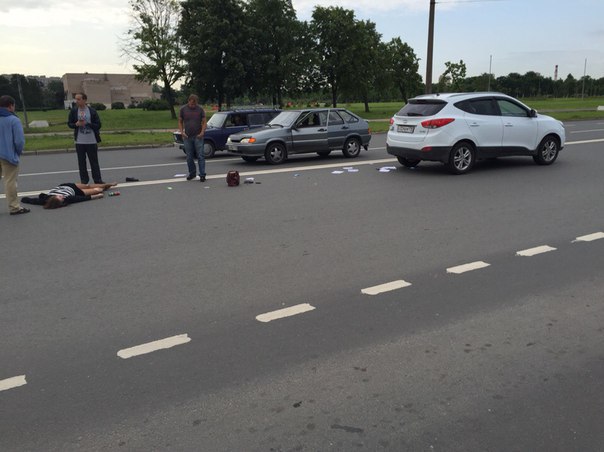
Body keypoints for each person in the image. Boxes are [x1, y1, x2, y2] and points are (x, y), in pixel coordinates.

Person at [0, 95, 29, 215]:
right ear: (11, 105)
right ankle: (14, 207)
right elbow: (19, 141)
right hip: (7, 154)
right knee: (9, 181)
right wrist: (18, 151)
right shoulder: (13, 120)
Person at [67, 93, 105, 184]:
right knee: (81, 162)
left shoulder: (92, 111)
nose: (77, 101)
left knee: (94, 162)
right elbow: (69, 123)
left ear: (84, 100)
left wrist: (88, 124)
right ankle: (84, 181)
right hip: (79, 141)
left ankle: (97, 180)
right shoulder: (74, 111)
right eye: (76, 99)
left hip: (91, 140)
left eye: (79, 99)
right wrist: (76, 124)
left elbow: (98, 125)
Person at [21, 182, 117, 209]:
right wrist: (96, 196)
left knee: (87, 185)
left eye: (60, 197)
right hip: (75, 192)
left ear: (53, 199)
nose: (62, 197)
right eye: (62, 199)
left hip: (67, 186)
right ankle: (107, 186)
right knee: (97, 190)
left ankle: (107, 184)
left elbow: (31, 200)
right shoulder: (67, 198)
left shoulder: (43, 200)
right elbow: (80, 199)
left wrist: (24, 199)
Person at [178, 94, 207, 182]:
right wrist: (182, 132)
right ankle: (192, 173)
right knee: (189, 156)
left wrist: (202, 132)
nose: (193, 106)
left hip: (198, 136)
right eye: (191, 104)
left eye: (194, 104)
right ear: (188, 101)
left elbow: (204, 122)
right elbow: (180, 121)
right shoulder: (183, 109)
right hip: (187, 136)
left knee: (200, 155)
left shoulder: (200, 109)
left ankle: (202, 174)